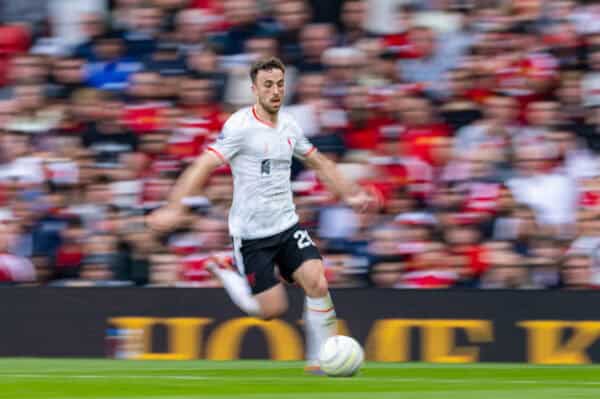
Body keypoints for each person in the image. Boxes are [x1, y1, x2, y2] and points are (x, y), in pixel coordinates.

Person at [147, 57, 374, 372]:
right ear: (254, 89)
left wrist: (351, 192)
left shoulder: (291, 124)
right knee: (271, 310)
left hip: (287, 224)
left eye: (280, 84)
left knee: (317, 282)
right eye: (268, 84)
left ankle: (320, 358)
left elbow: (320, 162)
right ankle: (224, 268)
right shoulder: (239, 127)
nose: (275, 90)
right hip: (252, 235)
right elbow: (203, 164)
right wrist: (174, 206)